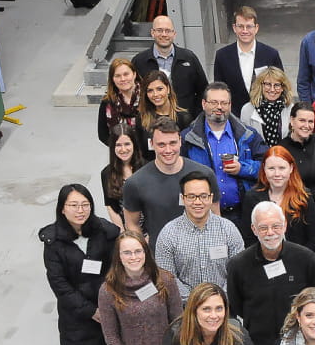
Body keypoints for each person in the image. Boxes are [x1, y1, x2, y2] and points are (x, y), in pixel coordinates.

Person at [40, 183, 129, 345]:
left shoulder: (105, 232)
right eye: (73, 205)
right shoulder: (54, 242)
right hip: (76, 315)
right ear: (62, 209)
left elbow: (116, 269)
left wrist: (108, 305)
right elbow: (59, 284)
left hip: (107, 306)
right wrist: (90, 311)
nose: (80, 210)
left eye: (85, 204)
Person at [227, 201, 315, 345]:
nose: (270, 233)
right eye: (263, 228)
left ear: (285, 225)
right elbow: (235, 308)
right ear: (254, 229)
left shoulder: (306, 259)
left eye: (276, 226)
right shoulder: (238, 265)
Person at [182, 82, 270, 236]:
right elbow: (179, 174)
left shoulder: (248, 135)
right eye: (214, 102)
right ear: (203, 104)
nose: (219, 107)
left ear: (230, 105)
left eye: (224, 103)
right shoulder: (188, 138)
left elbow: (268, 166)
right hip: (203, 216)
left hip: (242, 214)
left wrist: (242, 168)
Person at [122, 117, 217, 247]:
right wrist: (143, 249)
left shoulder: (205, 175)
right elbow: (132, 224)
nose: (168, 150)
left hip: (202, 252)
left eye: (172, 143)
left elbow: (216, 217)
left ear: (180, 141)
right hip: (159, 254)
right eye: (161, 145)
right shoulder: (135, 183)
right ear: (152, 144)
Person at [154, 171, 245, 300]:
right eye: (191, 196)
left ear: (211, 198)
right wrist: (195, 301)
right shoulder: (168, 234)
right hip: (184, 307)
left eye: (203, 196)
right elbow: (167, 279)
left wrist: (218, 299)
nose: (198, 202)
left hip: (224, 305)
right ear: (183, 199)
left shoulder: (229, 229)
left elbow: (238, 272)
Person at [241, 146, 315, 251]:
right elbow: (248, 237)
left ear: (291, 168)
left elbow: (314, 237)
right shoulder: (252, 198)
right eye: (271, 168)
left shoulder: (304, 196)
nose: (277, 174)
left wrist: (301, 258)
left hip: (299, 257)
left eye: (282, 168)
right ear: (264, 168)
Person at [213, 6, 284, 117]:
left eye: (249, 26)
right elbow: (219, 90)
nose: (245, 31)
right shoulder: (222, 56)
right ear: (234, 28)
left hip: (265, 116)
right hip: (234, 117)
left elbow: (281, 86)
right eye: (240, 26)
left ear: (256, 28)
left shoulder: (271, 54)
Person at [131, 15, 208, 117]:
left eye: (168, 31)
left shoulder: (189, 58)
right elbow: (134, 92)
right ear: (152, 33)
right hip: (151, 121)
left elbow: (203, 90)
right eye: (159, 30)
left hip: (186, 121)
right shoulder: (139, 61)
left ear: (174, 34)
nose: (164, 34)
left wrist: (195, 117)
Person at [137, 70, 192, 159]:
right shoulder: (142, 119)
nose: (155, 94)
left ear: (168, 89)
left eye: (159, 89)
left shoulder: (183, 118)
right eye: (150, 91)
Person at [100, 123, 146, 229]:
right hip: (125, 229)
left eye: (127, 144)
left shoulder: (147, 168)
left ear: (134, 144)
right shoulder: (106, 173)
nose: (123, 149)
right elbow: (110, 206)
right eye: (118, 145)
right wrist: (122, 232)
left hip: (149, 229)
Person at [239, 66, 294, 147]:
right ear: (261, 86)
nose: (272, 89)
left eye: (277, 85)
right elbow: (244, 140)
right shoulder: (247, 109)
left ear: (283, 88)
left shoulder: (291, 108)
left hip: (284, 153)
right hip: (256, 154)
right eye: (268, 84)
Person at [96, 58, 140, 145]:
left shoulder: (148, 97)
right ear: (112, 79)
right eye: (117, 76)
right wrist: (118, 147)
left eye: (126, 74)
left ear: (134, 74)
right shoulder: (107, 102)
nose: (122, 79)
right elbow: (103, 134)